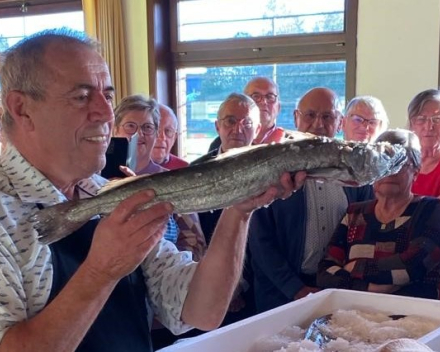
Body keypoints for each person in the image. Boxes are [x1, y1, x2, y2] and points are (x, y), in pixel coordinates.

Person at [0, 29, 303, 351]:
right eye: (81, 96)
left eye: (107, 94)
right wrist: (100, 271)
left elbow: (202, 311)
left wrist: (239, 211)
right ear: (21, 108)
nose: (105, 112)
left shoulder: (110, 194)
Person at [249, 87, 374, 313]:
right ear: (296, 118)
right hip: (280, 295)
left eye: (327, 116)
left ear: (340, 122)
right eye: (310, 115)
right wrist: (296, 289)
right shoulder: (274, 166)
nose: (318, 124)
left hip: (338, 291)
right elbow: (259, 241)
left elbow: (366, 233)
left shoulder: (354, 169)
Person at [317, 129, 440, 299]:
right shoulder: (355, 213)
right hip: (355, 315)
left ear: (416, 172)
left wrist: (354, 267)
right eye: (382, 162)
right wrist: (365, 287)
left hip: (415, 318)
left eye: (400, 163)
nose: (390, 170)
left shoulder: (432, 210)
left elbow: (411, 267)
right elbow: (324, 273)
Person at [194, 92, 262, 329]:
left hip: (259, 289)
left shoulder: (273, 172)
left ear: (258, 129)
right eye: (231, 121)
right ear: (217, 126)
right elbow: (195, 238)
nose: (238, 129)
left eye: (247, 123)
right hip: (207, 288)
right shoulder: (196, 172)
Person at [113, 95, 206, 261]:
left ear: (156, 134)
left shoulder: (175, 182)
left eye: (147, 127)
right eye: (130, 126)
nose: (138, 134)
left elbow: (194, 243)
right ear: (115, 130)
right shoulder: (97, 178)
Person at [208, 76, 284, 151]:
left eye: (270, 97)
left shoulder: (289, 143)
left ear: (279, 107)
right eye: (256, 96)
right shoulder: (219, 143)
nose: (263, 102)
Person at [407, 89, 440, 197]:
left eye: (437, 119)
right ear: (412, 124)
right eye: (421, 119)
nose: (429, 127)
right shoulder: (400, 162)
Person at [152, 104, 189, 170]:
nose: (162, 137)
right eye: (156, 130)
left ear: (174, 138)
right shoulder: (129, 167)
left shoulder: (185, 169)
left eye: (168, 131)